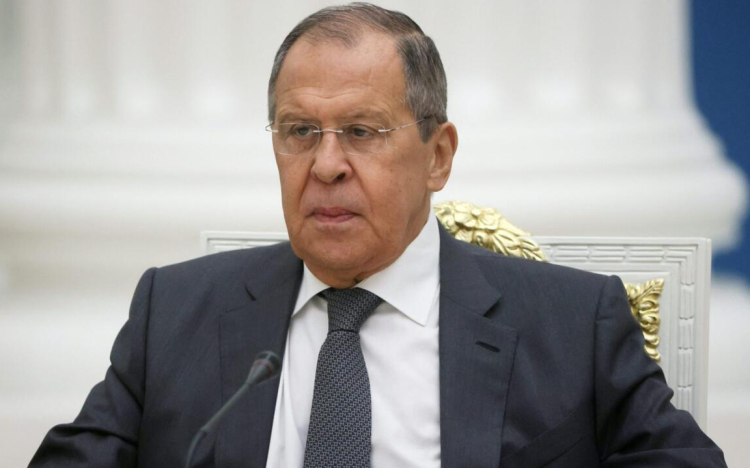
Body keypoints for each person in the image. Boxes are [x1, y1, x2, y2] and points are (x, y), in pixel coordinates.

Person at [30, 3, 726, 467]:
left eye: (361, 132)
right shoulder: (177, 311)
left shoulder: (572, 324)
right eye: (300, 131)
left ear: (438, 156)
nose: (326, 165)